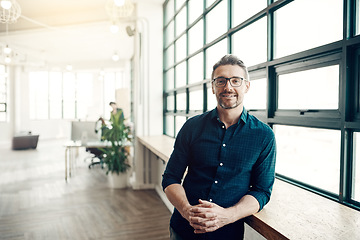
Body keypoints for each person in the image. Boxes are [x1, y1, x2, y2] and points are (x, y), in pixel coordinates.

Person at [162, 54, 276, 239]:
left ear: (246, 86)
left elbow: (262, 191)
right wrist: (186, 210)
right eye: (221, 81)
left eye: (235, 81)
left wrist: (227, 215)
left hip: (227, 234)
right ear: (213, 87)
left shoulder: (264, 136)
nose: (228, 87)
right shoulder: (192, 127)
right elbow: (170, 178)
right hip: (183, 229)